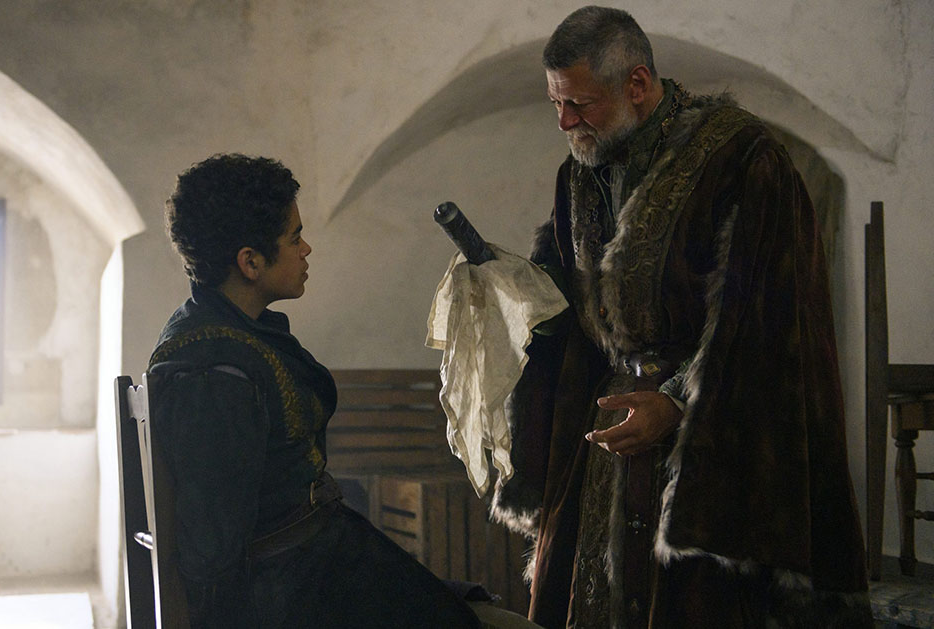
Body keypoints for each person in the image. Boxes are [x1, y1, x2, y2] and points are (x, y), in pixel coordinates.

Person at [489, 7, 872, 628]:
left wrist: (673, 403)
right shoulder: (577, 174)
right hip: (604, 448)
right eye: (555, 103)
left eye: (579, 104)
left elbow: (766, 325)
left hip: (710, 454)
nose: (564, 122)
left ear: (637, 85)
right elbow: (565, 307)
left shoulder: (741, 159)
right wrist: (504, 287)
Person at [148, 154, 481, 628]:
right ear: (250, 262)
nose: (306, 249)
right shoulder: (214, 373)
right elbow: (212, 555)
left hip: (318, 561)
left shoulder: (231, 329)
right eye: (294, 238)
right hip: (289, 594)